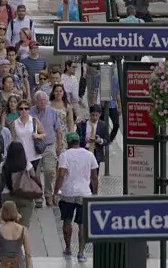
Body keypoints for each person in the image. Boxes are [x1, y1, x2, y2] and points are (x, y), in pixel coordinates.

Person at [53, 132, 99, 262]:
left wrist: (56, 192)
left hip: (68, 193)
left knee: (67, 221)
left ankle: (68, 248)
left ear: (68, 143)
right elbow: (94, 177)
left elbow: (61, 175)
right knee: (83, 224)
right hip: (84, 193)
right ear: (79, 141)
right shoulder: (89, 155)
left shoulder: (64, 155)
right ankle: (81, 252)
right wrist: (95, 193)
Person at [0, 141, 41, 228]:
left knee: (8, 225)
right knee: (23, 226)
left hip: (8, 196)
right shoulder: (26, 164)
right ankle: (22, 240)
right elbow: (34, 177)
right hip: (24, 196)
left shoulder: (3, 165)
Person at [29, 91, 63, 207]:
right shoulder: (30, 113)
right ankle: (38, 197)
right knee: (36, 173)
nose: (43, 102)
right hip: (35, 146)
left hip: (49, 145)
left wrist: (59, 145)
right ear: (36, 101)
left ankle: (48, 194)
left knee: (50, 171)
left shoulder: (53, 112)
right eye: (40, 100)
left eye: (44, 100)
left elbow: (58, 130)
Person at [0, 201, 34, 268]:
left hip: (3, 264)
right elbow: (28, 253)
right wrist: (29, 266)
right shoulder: (23, 230)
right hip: (19, 263)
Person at [77, 105, 109, 180]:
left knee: (94, 175)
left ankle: (93, 190)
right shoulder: (82, 124)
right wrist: (85, 140)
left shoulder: (103, 125)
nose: (94, 117)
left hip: (96, 152)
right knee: (84, 174)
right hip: (85, 150)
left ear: (100, 115)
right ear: (90, 114)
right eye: (93, 115)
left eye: (96, 115)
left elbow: (107, 140)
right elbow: (78, 137)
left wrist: (99, 140)